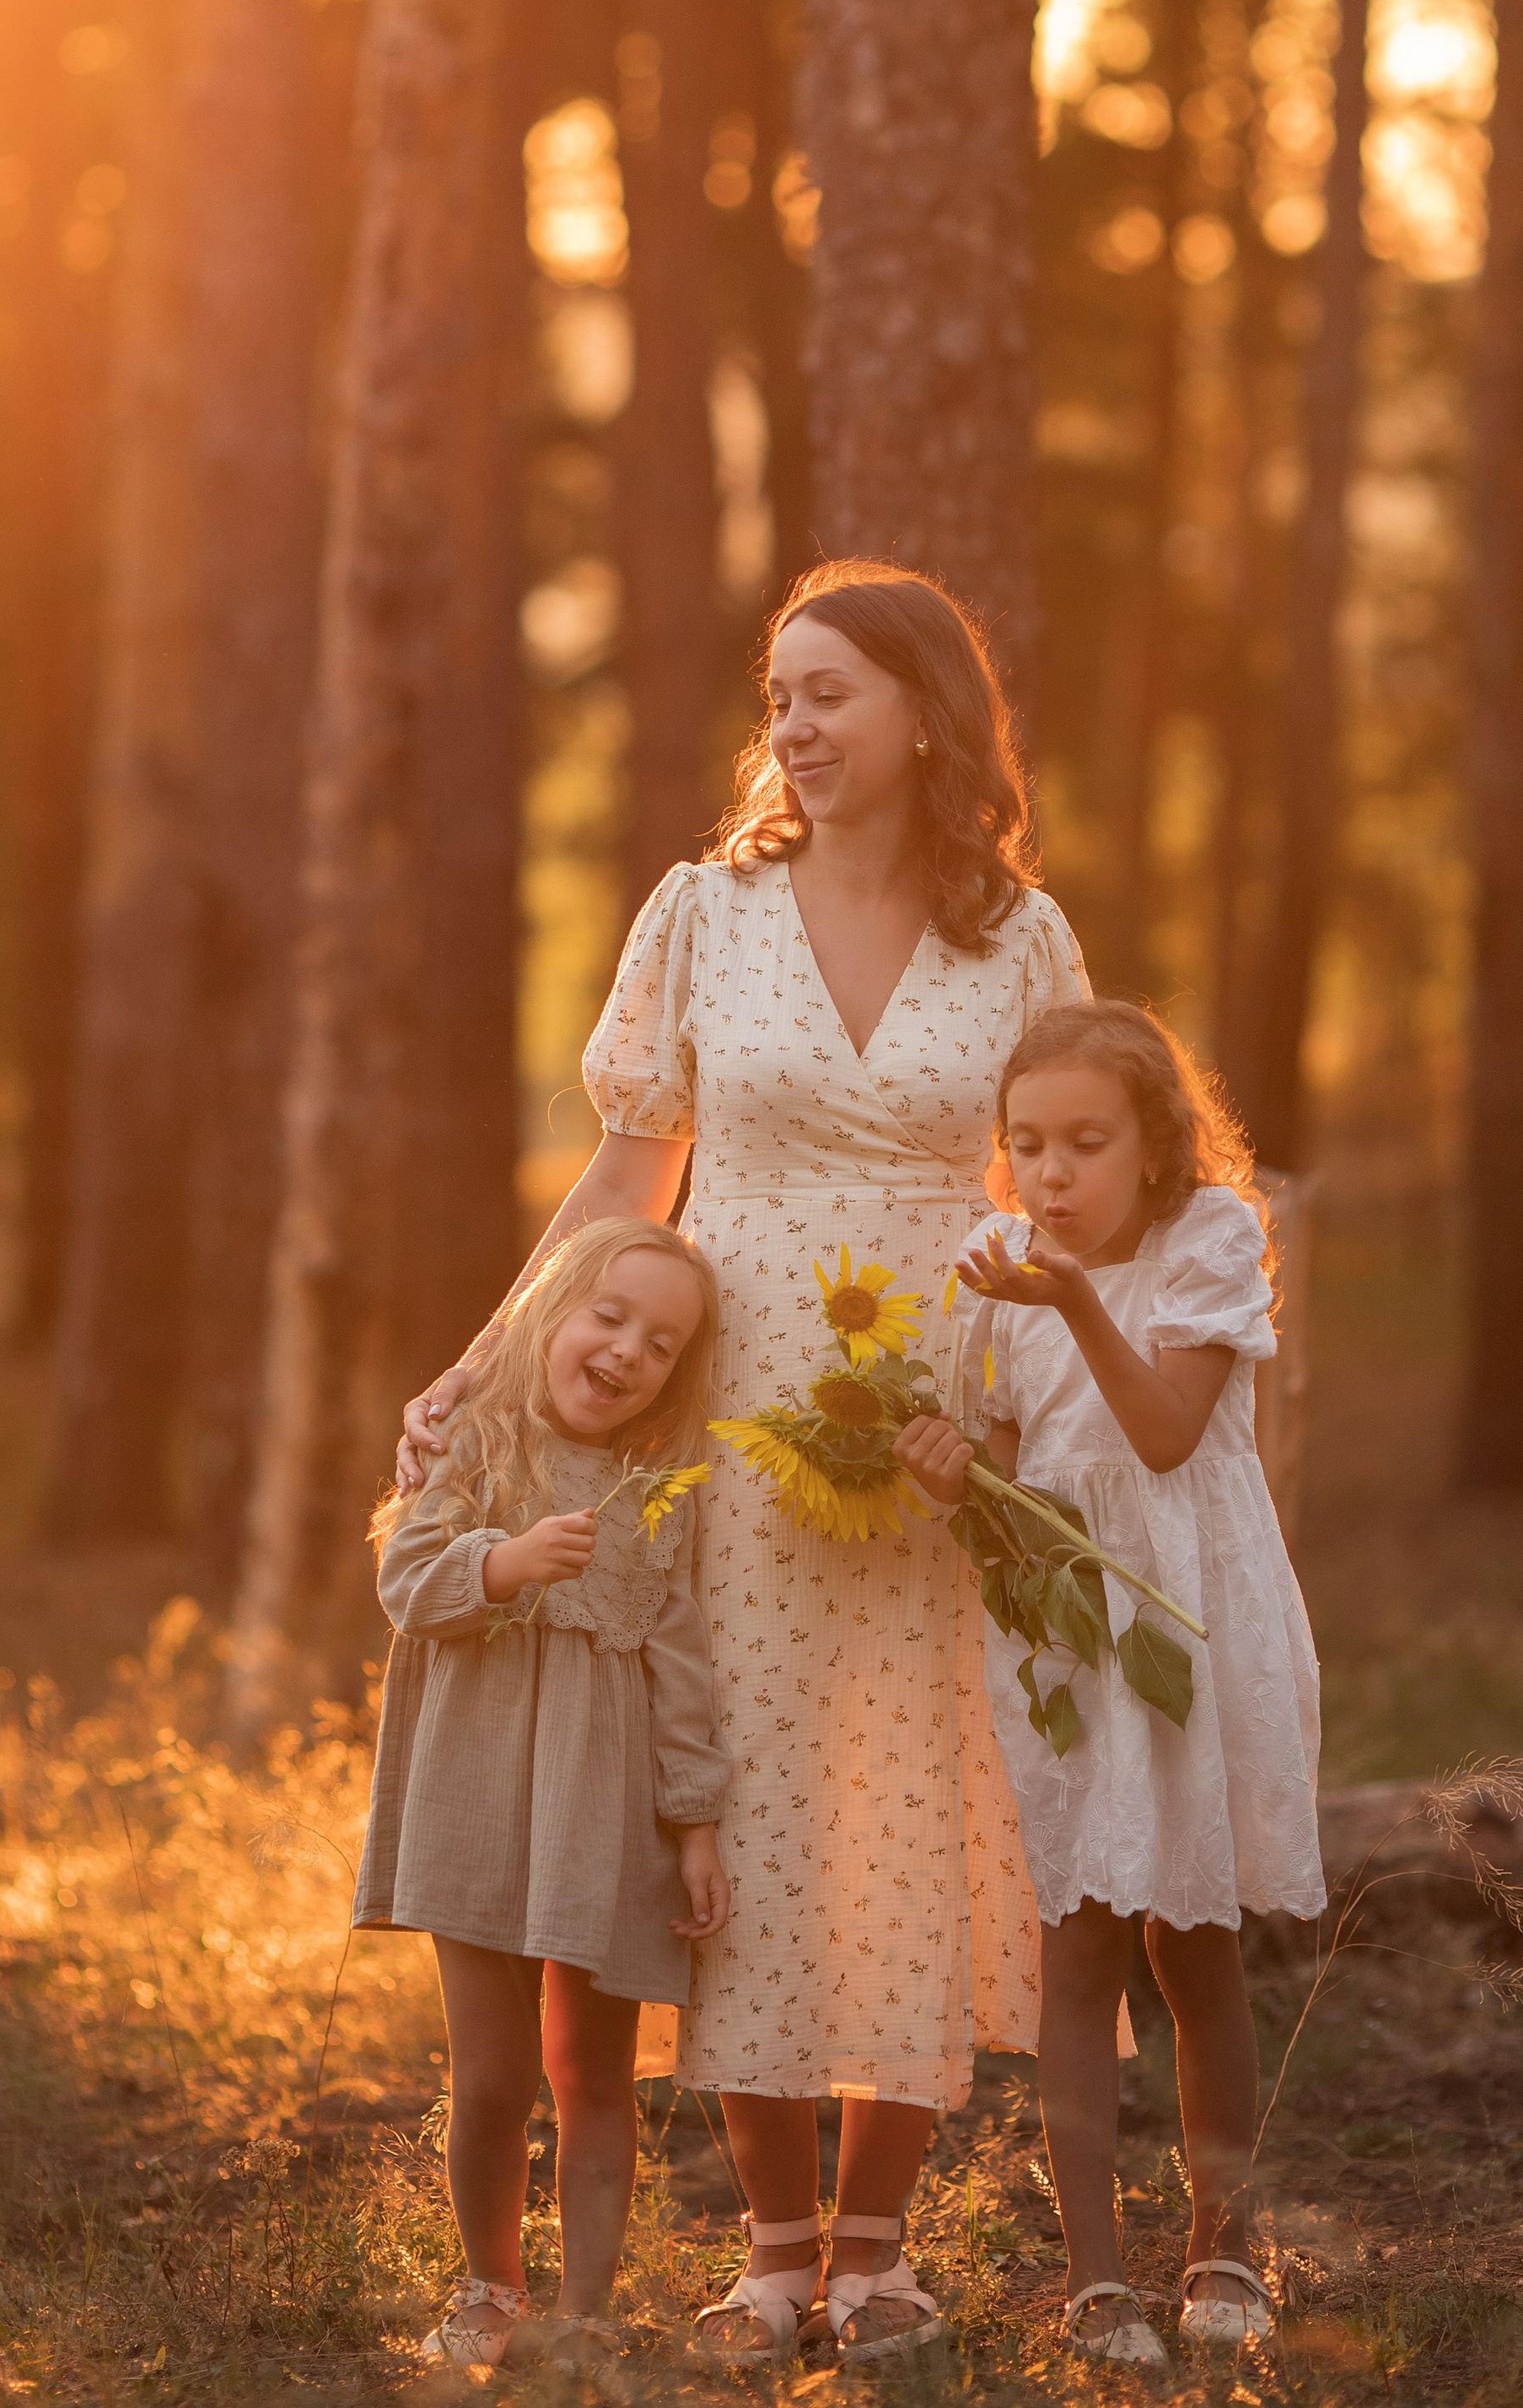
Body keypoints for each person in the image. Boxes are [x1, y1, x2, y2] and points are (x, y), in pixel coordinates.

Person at [398, 560, 1087, 2357]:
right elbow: (630, 1175)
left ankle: (877, 2241)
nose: (790, 723)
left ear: (925, 710)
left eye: (829, 691)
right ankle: (772, 2242)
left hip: (934, 1427)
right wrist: (482, 1377)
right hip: (726, 1420)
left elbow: (1068, 1189)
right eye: (776, 694)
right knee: (737, 1809)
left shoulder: (1018, 940)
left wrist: (1043, 1405)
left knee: (916, 1799)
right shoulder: (704, 908)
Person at [903, 997, 1326, 2362]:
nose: (1052, 1175)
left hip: (1189, 1619)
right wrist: (959, 1483)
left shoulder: (1208, 1244)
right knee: (1076, 1943)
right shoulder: (995, 1272)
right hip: (1070, 1634)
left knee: (1193, 1944)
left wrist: (1074, 1297)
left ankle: (1225, 2247)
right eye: (1027, 1144)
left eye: (1086, 1143)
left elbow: (1158, 1437)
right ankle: (1095, 2277)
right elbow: (1022, 1498)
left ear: (1157, 1147)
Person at [357, 1219, 733, 2370]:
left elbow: (681, 1665)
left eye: (660, 1343)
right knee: (493, 2074)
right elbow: (408, 1579)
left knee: (594, 2074)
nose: (625, 1351)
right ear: (551, 1313)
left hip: (598, 1818)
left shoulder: (658, 1491)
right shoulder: (478, 1442)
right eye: (609, 1316)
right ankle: (488, 2288)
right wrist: (505, 1561)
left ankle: (587, 2310)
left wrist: (698, 1823)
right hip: (473, 1797)